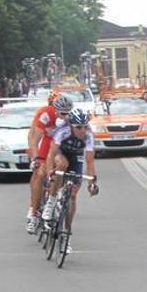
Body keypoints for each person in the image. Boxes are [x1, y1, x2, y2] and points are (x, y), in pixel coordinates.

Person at [41, 108, 99, 253]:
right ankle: (51, 201)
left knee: (72, 196)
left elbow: (90, 161)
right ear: (71, 126)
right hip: (60, 153)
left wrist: (92, 183)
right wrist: (50, 173)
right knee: (62, 165)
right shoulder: (63, 131)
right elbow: (50, 155)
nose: (82, 130)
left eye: (85, 126)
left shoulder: (89, 136)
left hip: (76, 157)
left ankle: (66, 235)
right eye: (78, 127)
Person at [25, 93, 73, 234]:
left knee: (62, 166)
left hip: (60, 146)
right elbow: (34, 139)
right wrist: (35, 158)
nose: (64, 116)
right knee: (39, 173)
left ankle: (54, 196)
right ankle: (33, 212)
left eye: (66, 113)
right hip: (47, 143)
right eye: (61, 113)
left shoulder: (71, 119)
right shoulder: (45, 114)